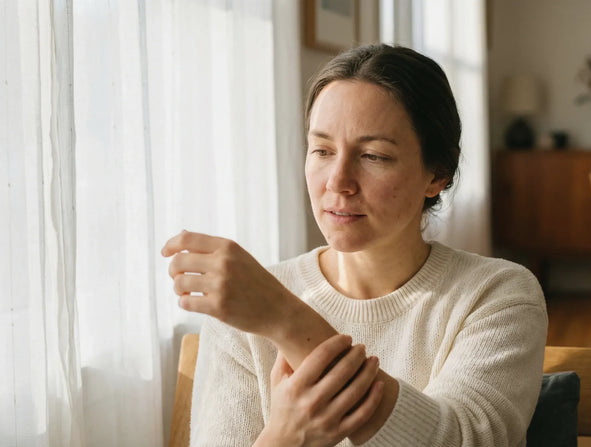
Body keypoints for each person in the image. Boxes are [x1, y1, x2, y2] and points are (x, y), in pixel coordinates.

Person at [161, 43, 547, 447]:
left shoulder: (498, 295)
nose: (337, 181)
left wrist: (284, 317)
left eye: (374, 155)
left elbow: (466, 438)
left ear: (437, 174)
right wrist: (287, 437)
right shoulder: (241, 310)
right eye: (323, 150)